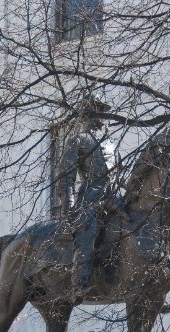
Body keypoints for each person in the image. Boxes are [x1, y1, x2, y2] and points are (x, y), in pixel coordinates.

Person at [54, 94, 112, 301]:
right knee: (87, 232)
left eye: (104, 110)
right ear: (88, 112)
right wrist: (68, 206)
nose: (103, 115)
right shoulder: (78, 140)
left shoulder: (110, 144)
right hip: (91, 197)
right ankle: (80, 283)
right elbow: (65, 176)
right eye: (99, 109)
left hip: (113, 196)